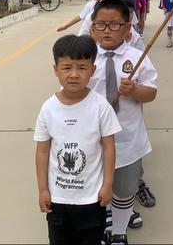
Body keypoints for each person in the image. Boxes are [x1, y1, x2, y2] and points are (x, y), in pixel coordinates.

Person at [34, 35, 122, 245]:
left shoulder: (101, 106)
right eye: (67, 67)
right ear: (56, 69)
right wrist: (43, 189)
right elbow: (42, 151)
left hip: (91, 198)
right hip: (58, 198)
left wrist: (107, 184)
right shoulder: (48, 108)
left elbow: (109, 147)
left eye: (82, 67)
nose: (74, 74)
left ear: (93, 69)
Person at [89, 0, 158, 245]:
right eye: (101, 25)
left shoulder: (137, 57)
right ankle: (105, 220)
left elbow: (151, 93)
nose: (107, 30)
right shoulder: (85, 58)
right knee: (97, 186)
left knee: (125, 188)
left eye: (114, 25)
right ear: (92, 27)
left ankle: (119, 231)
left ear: (128, 27)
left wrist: (135, 90)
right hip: (93, 140)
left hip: (127, 139)